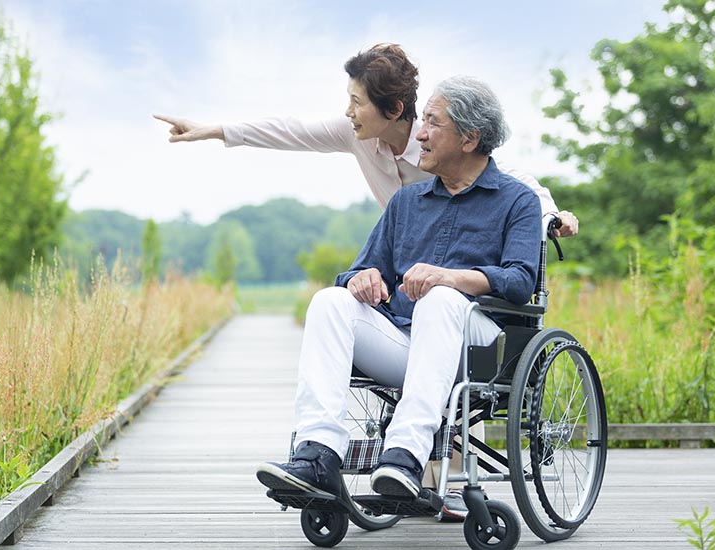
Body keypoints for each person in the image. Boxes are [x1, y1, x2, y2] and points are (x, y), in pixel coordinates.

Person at [254, 77, 541, 514]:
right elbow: (357, 269)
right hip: (406, 344)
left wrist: (451, 279)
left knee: (441, 299)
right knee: (329, 301)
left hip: (478, 349)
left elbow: (521, 280)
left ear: (469, 138)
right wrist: (360, 278)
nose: (419, 134)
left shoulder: (517, 201)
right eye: (422, 121)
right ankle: (317, 455)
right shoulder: (406, 203)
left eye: (432, 123)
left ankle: (404, 455)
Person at [154, 43, 578, 236]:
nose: (348, 112)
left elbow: (507, 176)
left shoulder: (439, 143)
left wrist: (552, 215)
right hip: (407, 259)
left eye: (357, 103)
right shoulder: (355, 135)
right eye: (348, 100)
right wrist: (210, 130)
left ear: (394, 110)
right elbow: (290, 130)